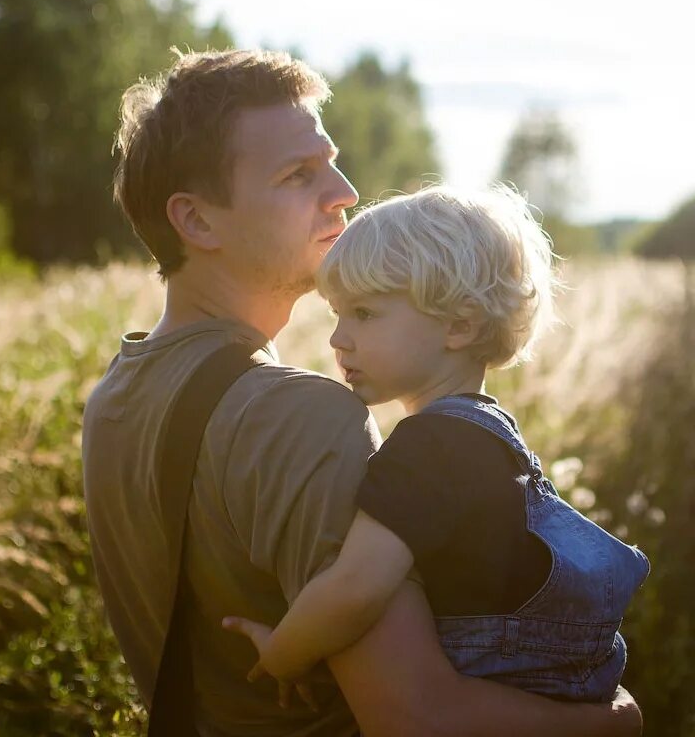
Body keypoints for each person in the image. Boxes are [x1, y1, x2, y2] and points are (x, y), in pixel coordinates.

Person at [82, 48, 642, 736]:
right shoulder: (299, 416)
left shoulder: (116, 392)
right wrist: (615, 722)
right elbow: (416, 716)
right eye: (298, 175)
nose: (344, 191)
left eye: (332, 161)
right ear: (196, 222)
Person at [222, 184, 650, 704]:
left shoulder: (431, 447)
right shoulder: (488, 434)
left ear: (459, 325)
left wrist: (282, 653)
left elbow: (356, 588)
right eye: (338, 314)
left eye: (365, 314)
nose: (338, 338)